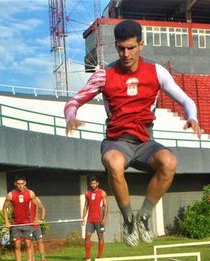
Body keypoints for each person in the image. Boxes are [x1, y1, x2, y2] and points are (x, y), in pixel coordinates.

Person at [64, 19, 201, 247]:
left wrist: (192, 117)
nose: (125, 54)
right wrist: (70, 116)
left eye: (131, 47)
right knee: (115, 163)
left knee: (169, 162)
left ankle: (144, 216)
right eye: (120, 48)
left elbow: (186, 100)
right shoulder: (104, 75)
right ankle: (128, 220)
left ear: (141, 45)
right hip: (116, 141)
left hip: (145, 141)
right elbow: (74, 101)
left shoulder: (156, 72)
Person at [3, 176, 43, 261]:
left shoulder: (30, 193)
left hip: (27, 223)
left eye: (22, 183)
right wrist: (7, 222)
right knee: (17, 246)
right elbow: (4, 208)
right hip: (16, 225)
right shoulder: (11, 195)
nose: (20, 186)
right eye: (18, 184)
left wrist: (36, 219)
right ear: (15, 184)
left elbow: (37, 205)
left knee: (28, 244)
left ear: (25, 183)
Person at [82, 176, 109, 261]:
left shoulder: (102, 193)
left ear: (97, 183)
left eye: (94, 183)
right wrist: (83, 217)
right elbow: (86, 205)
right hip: (90, 220)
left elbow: (106, 206)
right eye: (91, 183)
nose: (92, 185)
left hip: (99, 219)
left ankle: (99, 256)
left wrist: (104, 218)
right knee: (87, 237)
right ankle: (88, 257)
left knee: (100, 237)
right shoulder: (87, 193)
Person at [30, 196, 49, 261]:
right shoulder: (24, 200)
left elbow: (43, 208)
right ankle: (32, 259)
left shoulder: (36, 199)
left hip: (36, 225)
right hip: (28, 225)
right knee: (30, 243)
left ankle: (43, 259)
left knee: (40, 241)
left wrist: (42, 219)